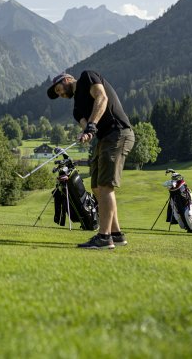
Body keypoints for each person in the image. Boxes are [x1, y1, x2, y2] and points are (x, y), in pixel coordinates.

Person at [47, 71, 135, 249]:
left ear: (67, 80)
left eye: (59, 89)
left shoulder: (87, 77)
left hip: (118, 132)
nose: (60, 94)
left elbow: (101, 98)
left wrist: (92, 125)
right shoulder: (76, 109)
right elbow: (85, 126)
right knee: (96, 187)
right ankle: (116, 234)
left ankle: (104, 237)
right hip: (104, 139)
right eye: (58, 94)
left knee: (104, 186)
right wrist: (85, 134)